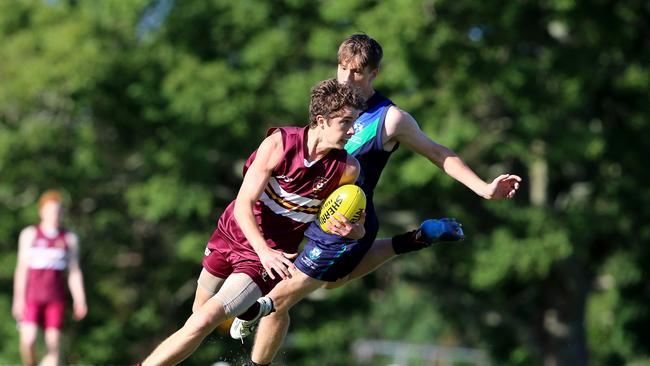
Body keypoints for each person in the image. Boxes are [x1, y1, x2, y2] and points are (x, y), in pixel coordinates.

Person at [230, 34, 523, 366]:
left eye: (356, 72)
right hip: (309, 217)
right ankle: (416, 238)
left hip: (346, 223)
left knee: (280, 297)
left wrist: (483, 187)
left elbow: (437, 152)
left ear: (374, 74)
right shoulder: (330, 102)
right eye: (342, 68)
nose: (346, 78)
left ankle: (252, 336)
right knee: (326, 286)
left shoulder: (390, 118)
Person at [137, 78, 366, 366]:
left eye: (354, 122)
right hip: (231, 235)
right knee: (196, 318)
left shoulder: (347, 169)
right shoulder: (279, 144)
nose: (352, 130)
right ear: (321, 120)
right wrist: (263, 250)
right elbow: (244, 204)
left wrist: (353, 231)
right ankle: (248, 312)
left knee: (203, 321)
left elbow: (359, 229)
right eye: (346, 122)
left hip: (267, 258)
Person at [12, 189, 88, 366]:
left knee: (53, 348)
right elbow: (22, 269)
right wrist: (18, 299)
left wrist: (80, 299)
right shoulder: (30, 235)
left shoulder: (69, 239)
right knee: (28, 340)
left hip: (55, 299)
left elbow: (74, 272)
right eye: (50, 210)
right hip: (31, 298)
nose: (54, 214)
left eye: (58, 210)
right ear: (42, 211)